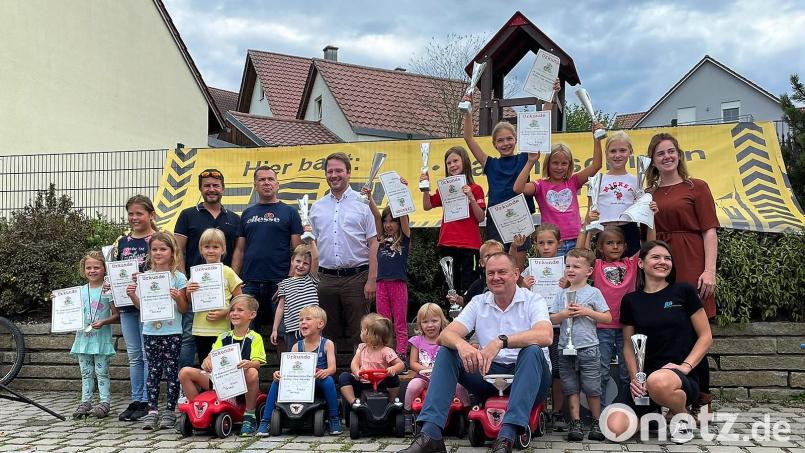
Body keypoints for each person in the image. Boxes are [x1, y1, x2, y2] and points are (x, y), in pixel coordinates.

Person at [398, 253, 552, 453]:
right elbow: (445, 335)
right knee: (447, 351)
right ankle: (431, 434)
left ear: (516, 274)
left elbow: (545, 335)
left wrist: (501, 341)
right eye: (491, 273)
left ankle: (506, 437)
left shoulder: (533, 300)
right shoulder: (479, 302)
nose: (495, 277)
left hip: (530, 376)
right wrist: (463, 345)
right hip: (488, 373)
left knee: (532, 350)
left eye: (502, 272)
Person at [607, 240, 713, 444]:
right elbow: (628, 346)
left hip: (679, 377)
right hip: (645, 379)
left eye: (667, 258)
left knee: (658, 381)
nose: (663, 262)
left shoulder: (684, 291)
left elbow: (706, 336)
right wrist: (635, 379)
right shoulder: (631, 301)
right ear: (641, 263)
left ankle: (682, 415)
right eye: (656, 257)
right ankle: (655, 419)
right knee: (614, 429)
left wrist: (685, 367)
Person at [645, 133, 718, 413]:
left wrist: (709, 270)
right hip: (660, 261)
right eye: (660, 153)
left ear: (679, 155)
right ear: (652, 161)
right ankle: (670, 397)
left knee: (694, 331)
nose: (666, 157)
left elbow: (709, 231)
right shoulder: (647, 194)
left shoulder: (697, 187)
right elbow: (646, 237)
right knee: (666, 330)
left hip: (691, 260)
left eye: (670, 151)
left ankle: (702, 399)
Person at [462, 81, 560, 253]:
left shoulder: (525, 157)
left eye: (509, 139)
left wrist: (552, 95)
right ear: (494, 144)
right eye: (500, 140)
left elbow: (540, 122)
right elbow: (469, 138)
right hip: (497, 219)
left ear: (516, 140)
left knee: (517, 264)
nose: (505, 143)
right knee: (496, 261)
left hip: (520, 216)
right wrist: (467, 110)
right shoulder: (489, 163)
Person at [577, 213, 657, 408]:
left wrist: (650, 217)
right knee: (602, 371)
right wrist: (587, 227)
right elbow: (582, 253)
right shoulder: (596, 266)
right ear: (600, 247)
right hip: (602, 327)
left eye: (619, 243)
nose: (615, 246)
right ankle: (602, 412)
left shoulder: (631, 264)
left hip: (626, 327)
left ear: (625, 246)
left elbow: (650, 246)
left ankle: (627, 408)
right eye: (610, 243)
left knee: (627, 372)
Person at [310, 152, 378, 350]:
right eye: (330, 171)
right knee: (326, 332)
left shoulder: (363, 203)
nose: (334, 175)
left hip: (357, 278)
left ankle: (361, 369)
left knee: (361, 333)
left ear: (348, 173)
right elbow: (312, 245)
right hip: (326, 279)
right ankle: (328, 369)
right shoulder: (317, 207)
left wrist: (372, 279)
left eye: (338, 170)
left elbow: (374, 242)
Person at [174, 168, 240, 369]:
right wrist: (185, 281)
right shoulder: (187, 215)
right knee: (189, 339)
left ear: (223, 189)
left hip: (223, 294)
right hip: (195, 288)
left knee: (224, 347)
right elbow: (178, 250)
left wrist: (231, 278)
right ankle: (185, 383)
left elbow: (239, 251)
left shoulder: (234, 218)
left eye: (216, 185)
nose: (211, 189)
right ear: (200, 189)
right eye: (207, 186)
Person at [178, 294, 265, 436]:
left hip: (241, 384)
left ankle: (250, 415)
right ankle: (197, 411)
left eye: (240, 310)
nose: (234, 313)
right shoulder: (223, 336)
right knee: (184, 372)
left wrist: (249, 363)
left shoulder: (255, 338)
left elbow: (257, 363)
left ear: (252, 314)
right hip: (219, 380)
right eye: (232, 310)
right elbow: (211, 356)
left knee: (253, 372)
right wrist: (207, 361)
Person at [126, 232, 188, 430]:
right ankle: (152, 410)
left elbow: (184, 308)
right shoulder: (145, 278)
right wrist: (132, 296)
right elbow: (142, 308)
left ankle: (170, 410)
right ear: (150, 252)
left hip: (172, 332)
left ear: (172, 252)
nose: (158, 253)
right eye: (154, 249)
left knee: (172, 372)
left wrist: (178, 297)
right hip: (151, 332)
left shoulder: (179, 278)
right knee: (153, 371)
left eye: (163, 249)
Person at [232, 165, 303, 338]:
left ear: (277, 184)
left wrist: (290, 280)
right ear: (255, 186)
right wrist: (234, 280)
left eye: (270, 179)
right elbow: (240, 249)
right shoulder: (247, 213)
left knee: (283, 332)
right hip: (250, 282)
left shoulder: (290, 212)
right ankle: (249, 358)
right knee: (245, 332)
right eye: (261, 179)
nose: (266, 183)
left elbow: (298, 250)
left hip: (280, 281)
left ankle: (284, 358)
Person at [549, 248, 611, 441]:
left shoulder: (594, 293)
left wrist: (587, 312)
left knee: (592, 387)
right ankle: (575, 423)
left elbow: (607, 317)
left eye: (576, 266)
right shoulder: (561, 294)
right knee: (570, 387)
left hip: (588, 348)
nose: (571, 269)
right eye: (568, 266)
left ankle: (596, 422)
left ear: (589, 271)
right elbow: (551, 319)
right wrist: (563, 314)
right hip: (564, 348)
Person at [513, 126, 603, 256]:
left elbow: (596, 165)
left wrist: (597, 139)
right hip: (552, 243)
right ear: (548, 164)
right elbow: (518, 188)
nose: (559, 167)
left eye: (564, 163)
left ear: (569, 165)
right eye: (555, 163)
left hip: (577, 239)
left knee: (576, 269)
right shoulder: (540, 185)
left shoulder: (573, 181)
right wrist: (531, 161)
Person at [257, 305, 342, 436]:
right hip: (299, 382)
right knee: (276, 381)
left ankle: (334, 418)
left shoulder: (327, 344)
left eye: (308, 319)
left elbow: (332, 368)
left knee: (329, 381)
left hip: (317, 380)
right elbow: (289, 368)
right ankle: (266, 420)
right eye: (301, 320)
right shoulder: (297, 346)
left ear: (320, 324)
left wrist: (325, 372)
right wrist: (279, 373)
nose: (303, 322)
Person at [513, 223, 566, 431]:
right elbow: (517, 290)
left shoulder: (565, 268)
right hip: (536, 327)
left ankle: (558, 412)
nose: (546, 247)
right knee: (539, 368)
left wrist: (568, 285)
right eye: (541, 243)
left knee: (559, 370)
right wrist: (523, 286)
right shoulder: (529, 270)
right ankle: (539, 408)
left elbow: (578, 289)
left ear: (559, 244)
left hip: (559, 326)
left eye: (550, 242)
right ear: (534, 244)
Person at [114, 194, 157, 422]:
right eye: (131, 213)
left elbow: (167, 269)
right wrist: (111, 284)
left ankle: (149, 400)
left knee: (148, 354)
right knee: (134, 356)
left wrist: (144, 278)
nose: (134, 217)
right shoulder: (122, 242)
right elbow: (115, 270)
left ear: (151, 215)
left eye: (139, 213)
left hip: (149, 305)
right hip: (126, 305)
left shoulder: (158, 239)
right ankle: (136, 398)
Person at [421, 146, 485, 295]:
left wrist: (471, 198)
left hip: (470, 245)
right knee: (450, 286)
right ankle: (452, 310)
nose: (452, 165)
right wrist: (425, 188)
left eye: (455, 161)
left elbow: (481, 217)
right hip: (447, 243)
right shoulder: (445, 188)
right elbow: (427, 206)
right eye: (449, 163)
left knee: (470, 286)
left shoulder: (476, 189)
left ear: (465, 162)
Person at [64, 251, 119, 419]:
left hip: (101, 339)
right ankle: (85, 401)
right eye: (89, 268)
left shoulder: (108, 290)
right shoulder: (79, 291)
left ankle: (104, 402)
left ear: (104, 269)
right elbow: (67, 309)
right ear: (83, 269)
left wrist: (103, 322)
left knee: (102, 372)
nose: (92, 271)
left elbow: (117, 315)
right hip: (83, 340)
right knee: (86, 373)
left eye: (96, 267)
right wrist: (58, 300)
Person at [363, 178, 411, 364]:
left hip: (398, 284)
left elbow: (404, 214)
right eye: (386, 221)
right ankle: (385, 355)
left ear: (399, 223)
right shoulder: (381, 238)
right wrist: (369, 197)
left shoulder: (404, 239)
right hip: (381, 285)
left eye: (393, 221)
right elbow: (376, 216)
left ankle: (401, 356)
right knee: (383, 322)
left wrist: (402, 191)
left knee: (400, 322)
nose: (388, 225)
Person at [404, 303, 470, 430]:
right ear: (420, 324)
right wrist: (427, 370)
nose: (430, 325)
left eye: (434, 321)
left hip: (445, 378)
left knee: (459, 387)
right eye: (425, 322)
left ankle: (467, 412)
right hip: (423, 377)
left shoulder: (446, 340)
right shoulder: (417, 341)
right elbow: (413, 363)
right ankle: (407, 414)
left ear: (441, 321)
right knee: (412, 386)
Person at [185, 228, 243, 362]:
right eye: (207, 247)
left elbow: (240, 300)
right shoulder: (196, 273)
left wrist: (225, 312)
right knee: (205, 366)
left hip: (222, 330)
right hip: (200, 329)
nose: (211, 250)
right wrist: (188, 292)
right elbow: (190, 301)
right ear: (201, 249)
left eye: (215, 247)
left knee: (223, 366)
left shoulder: (228, 272)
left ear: (223, 249)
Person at [588, 131, 643, 256]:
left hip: (630, 231)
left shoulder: (636, 181)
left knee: (632, 267)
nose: (618, 155)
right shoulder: (597, 180)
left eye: (622, 150)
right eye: (613, 151)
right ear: (606, 153)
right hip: (605, 231)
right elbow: (589, 215)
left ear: (630, 152)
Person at [339, 314, 405, 406]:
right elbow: (354, 363)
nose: (360, 333)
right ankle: (353, 402)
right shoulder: (362, 348)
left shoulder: (386, 351)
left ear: (370, 335)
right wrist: (357, 372)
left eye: (362, 330)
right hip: (362, 382)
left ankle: (391, 401)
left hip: (381, 383)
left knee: (394, 378)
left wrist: (393, 369)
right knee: (344, 377)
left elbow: (401, 365)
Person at [270, 234, 320, 351]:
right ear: (292, 261)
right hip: (292, 330)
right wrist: (275, 329)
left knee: (312, 358)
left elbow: (316, 259)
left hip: (312, 328)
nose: (301, 265)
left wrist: (311, 241)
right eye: (298, 261)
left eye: (306, 263)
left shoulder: (311, 279)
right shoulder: (284, 283)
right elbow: (280, 308)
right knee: (293, 358)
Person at [445, 239, 504, 310]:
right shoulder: (477, 285)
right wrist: (457, 299)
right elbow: (466, 301)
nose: (492, 258)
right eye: (488, 256)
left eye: (496, 255)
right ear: (482, 263)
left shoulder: (509, 280)